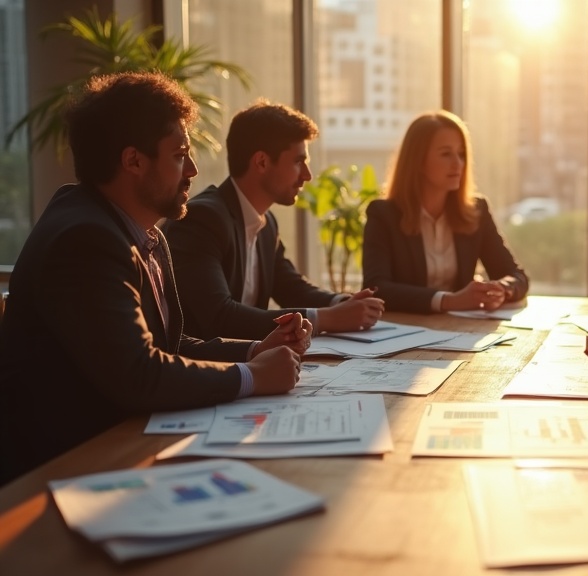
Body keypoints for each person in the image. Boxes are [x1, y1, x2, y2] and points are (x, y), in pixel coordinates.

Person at [0, 73, 308, 486]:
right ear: (134, 161)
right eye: (180, 155)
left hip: (120, 442)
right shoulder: (85, 239)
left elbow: (167, 344)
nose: (193, 169)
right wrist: (251, 377)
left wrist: (254, 350)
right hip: (60, 471)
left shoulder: (142, 234)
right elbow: (138, 372)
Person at [162, 101, 385, 340]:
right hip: (206, 361)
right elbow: (219, 317)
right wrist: (327, 318)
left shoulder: (265, 222)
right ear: (262, 162)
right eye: (298, 161)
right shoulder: (202, 219)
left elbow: (290, 288)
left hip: (253, 357)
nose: (307, 175)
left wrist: (342, 302)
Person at [361, 110, 528, 313]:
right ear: (418, 161)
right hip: (404, 327)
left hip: (461, 328)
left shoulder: (476, 211)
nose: (458, 164)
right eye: (446, 154)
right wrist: (449, 301)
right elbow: (377, 288)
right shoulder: (383, 215)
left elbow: (516, 276)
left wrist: (502, 289)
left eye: (461, 154)